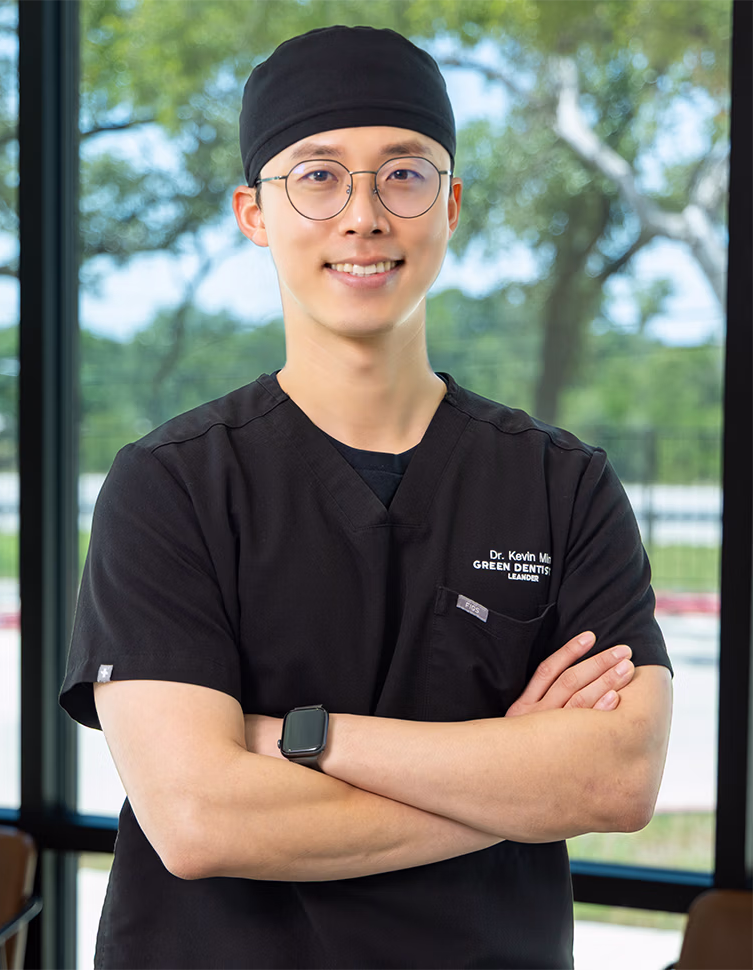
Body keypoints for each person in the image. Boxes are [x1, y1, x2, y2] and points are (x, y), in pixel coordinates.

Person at [59, 24, 673, 970]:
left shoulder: (564, 483)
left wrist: (309, 739)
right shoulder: (169, 485)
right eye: (316, 175)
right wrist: (508, 779)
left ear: (453, 206)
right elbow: (198, 819)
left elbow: (617, 781)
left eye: (404, 174)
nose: (363, 216)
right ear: (253, 213)